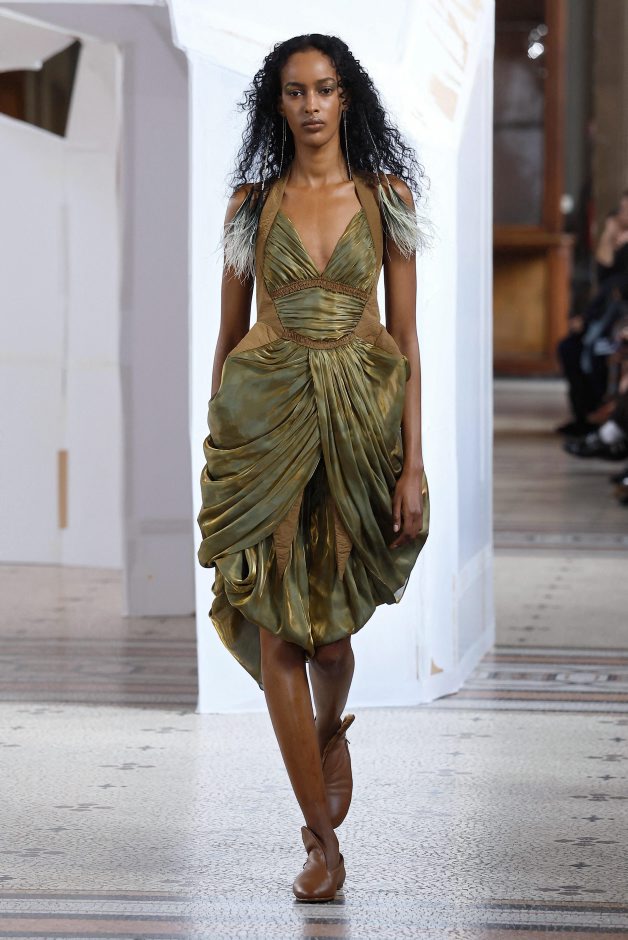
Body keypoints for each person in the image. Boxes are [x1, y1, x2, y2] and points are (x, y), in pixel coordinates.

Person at [196, 34, 431, 902]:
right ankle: (322, 843)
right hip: (266, 431)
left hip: (361, 433)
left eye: (324, 89)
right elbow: (228, 335)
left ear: (346, 97)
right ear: (279, 104)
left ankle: (330, 731)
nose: (310, 106)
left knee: (330, 643)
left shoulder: (386, 198)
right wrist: (221, 450)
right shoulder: (251, 204)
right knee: (278, 634)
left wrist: (414, 465)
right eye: (295, 92)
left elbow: (406, 338)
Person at [556, 190, 628, 436]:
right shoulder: (620, 240)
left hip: (617, 320)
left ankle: (600, 420)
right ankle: (583, 417)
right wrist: (609, 233)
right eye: (621, 208)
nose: (621, 213)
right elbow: (604, 273)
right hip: (605, 316)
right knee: (569, 348)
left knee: (595, 353)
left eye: (625, 209)